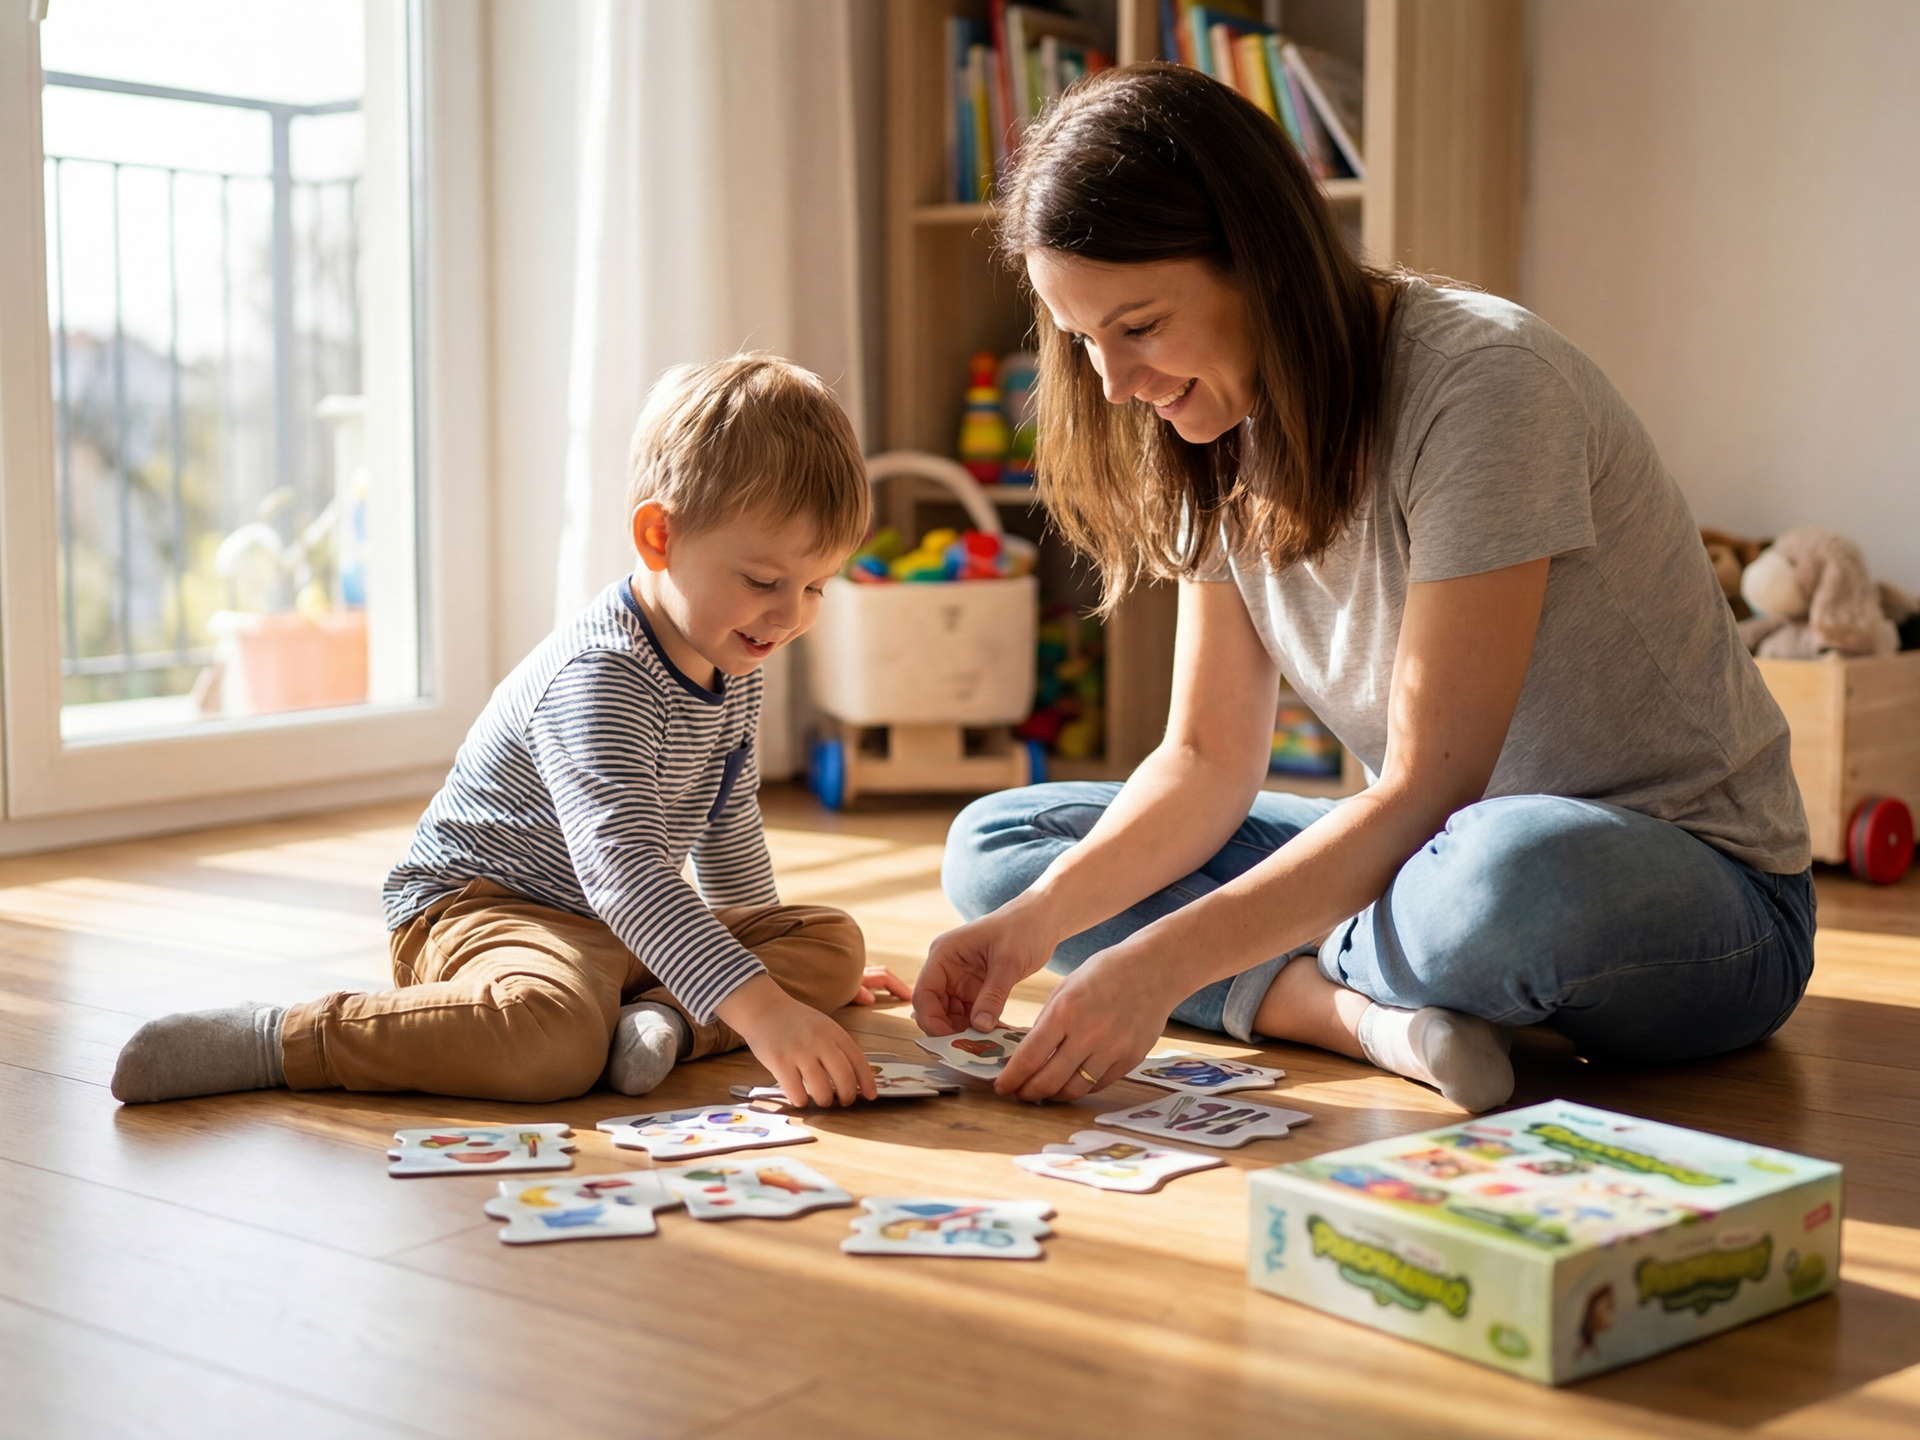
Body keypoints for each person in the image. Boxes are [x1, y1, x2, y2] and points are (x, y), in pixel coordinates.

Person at [916, 64, 1813, 1113]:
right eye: (1082, 341)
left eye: (1141, 326)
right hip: (1423, 857)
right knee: (1001, 857)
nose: (1115, 385)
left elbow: (1435, 787)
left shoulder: (1485, 384)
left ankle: (1296, 991)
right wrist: (1030, 931)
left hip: (1683, 891)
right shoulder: (1208, 434)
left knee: (1502, 882)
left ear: (1259, 262)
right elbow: (1205, 760)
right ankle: (1369, 1020)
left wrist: (1160, 961)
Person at [113, 354, 907, 1108]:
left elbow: (727, 828)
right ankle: (282, 1038)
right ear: (658, 538)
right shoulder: (601, 676)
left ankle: (660, 1020)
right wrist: (764, 1009)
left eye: (816, 588)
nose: (790, 615)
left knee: (832, 943)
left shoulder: (736, 656)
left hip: (616, 926)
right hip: (490, 910)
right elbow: (627, 872)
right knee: (552, 1042)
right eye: (766, 582)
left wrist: (769, 967)